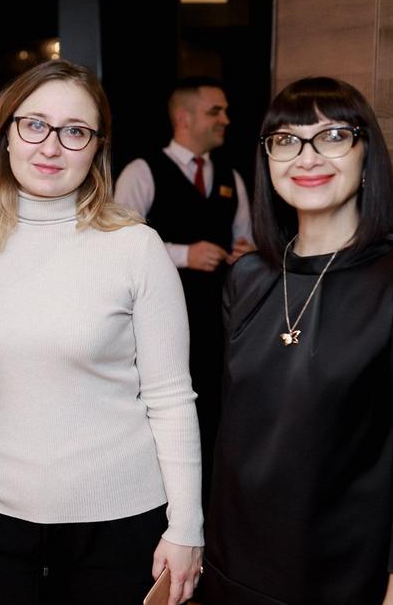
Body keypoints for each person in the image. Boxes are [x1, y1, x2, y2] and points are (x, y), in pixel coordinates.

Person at [0, 59, 204, 605]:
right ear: (6, 134)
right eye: (34, 125)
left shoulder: (136, 247)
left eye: (75, 131)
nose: (51, 147)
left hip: (118, 525)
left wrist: (187, 526)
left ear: (97, 147)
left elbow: (172, 398)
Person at [203, 77, 393, 604]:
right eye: (287, 140)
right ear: (268, 160)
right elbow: (229, 434)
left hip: (341, 578)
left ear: (367, 155)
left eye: (333, 136)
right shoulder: (246, 278)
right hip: (232, 569)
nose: (308, 156)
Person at [114, 77, 252, 498]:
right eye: (215, 111)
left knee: (213, 415)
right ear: (183, 118)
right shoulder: (142, 171)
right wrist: (182, 254)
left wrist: (247, 254)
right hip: (157, 326)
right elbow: (116, 243)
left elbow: (245, 239)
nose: (226, 120)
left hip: (219, 325)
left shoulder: (230, 176)